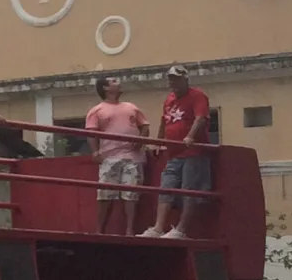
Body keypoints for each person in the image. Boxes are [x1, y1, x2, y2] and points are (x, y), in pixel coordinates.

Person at [145, 64, 212, 238]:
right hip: (173, 153)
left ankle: (181, 229)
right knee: (166, 186)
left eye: (176, 79)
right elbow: (164, 121)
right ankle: (158, 227)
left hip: (193, 153)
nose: (173, 83)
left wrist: (190, 137)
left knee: (188, 189)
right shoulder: (169, 99)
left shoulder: (197, 95)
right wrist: (158, 143)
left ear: (185, 79)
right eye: (171, 79)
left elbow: (200, 118)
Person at [82, 73, 150, 237]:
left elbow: (145, 127)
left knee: (131, 193)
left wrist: (140, 140)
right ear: (105, 88)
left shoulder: (131, 107)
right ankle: (100, 231)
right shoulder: (97, 110)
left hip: (133, 156)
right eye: (113, 81)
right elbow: (91, 133)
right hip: (109, 157)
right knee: (105, 194)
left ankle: (129, 230)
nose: (118, 83)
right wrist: (95, 151)